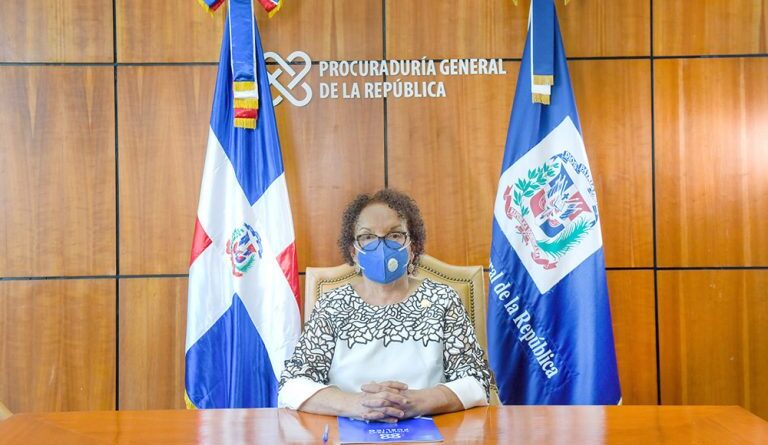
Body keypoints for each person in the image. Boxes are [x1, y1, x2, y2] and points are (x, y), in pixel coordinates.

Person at [278, 189, 491, 422]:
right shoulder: (331, 305)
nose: (381, 245)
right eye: (367, 236)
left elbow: (476, 381)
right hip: (346, 427)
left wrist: (416, 402)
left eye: (395, 235)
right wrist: (358, 405)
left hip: (433, 426)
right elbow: (292, 385)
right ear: (354, 252)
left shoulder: (443, 299)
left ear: (412, 248)